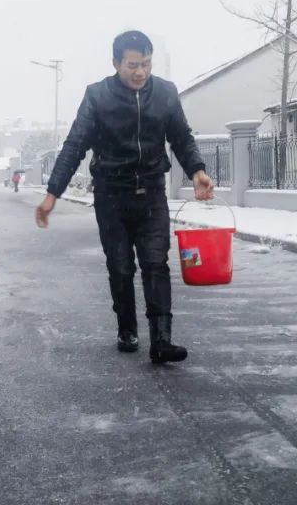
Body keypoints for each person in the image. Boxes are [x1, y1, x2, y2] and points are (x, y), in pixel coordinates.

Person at [36, 30, 214, 364]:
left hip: (152, 192)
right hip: (111, 196)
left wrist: (197, 170)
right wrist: (52, 193)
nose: (140, 72)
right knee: (120, 267)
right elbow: (74, 146)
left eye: (146, 63)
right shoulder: (97, 97)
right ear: (116, 63)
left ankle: (161, 340)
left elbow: (181, 137)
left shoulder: (165, 93)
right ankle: (127, 328)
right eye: (133, 65)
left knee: (155, 263)